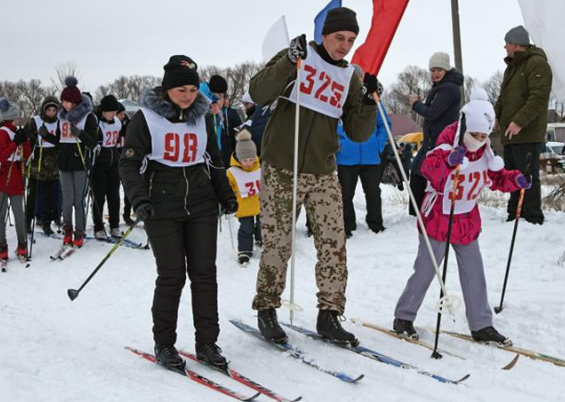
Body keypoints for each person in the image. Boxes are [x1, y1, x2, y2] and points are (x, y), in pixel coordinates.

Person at [249, 6, 379, 345]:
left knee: (334, 245)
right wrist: (288, 62)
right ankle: (267, 308)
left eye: (351, 40)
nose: (344, 46)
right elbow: (258, 92)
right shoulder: (300, 55)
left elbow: (358, 132)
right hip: (282, 165)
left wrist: (367, 102)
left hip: (323, 170)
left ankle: (330, 313)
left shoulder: (350, 75)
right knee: (278, 243)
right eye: (339, 38)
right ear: (324, 34)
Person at [120, 55, 237, 370]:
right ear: (166, 89)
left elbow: (213, 158)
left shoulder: (202, 117)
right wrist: (138, 198)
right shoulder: (146, 119)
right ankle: (164, 343)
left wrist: (225, 193)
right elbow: (129, 163)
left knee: (205, 275)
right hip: (162, 206)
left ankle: (207, 343)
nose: (187, 96)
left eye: (191, 89)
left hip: (201, 203)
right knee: (172, 276)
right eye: (180, 90)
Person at [392, 89, 530, 345]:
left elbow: (496, 178)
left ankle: (482, 324)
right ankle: (404, 316)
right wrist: (448, 161)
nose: (479, 140)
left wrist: (515, 180)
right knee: (425, 270)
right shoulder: (448, 141)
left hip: (465, 219)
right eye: (475, 135)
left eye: (484, 135)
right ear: (465, 128)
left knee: (474, 272)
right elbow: (428, 169)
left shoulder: (486, 151)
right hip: (438, 217)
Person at [493, 26, 552, 225]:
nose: (504, 47)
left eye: (507, 43)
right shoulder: (512, 67)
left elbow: (538, 98)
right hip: (511, 134)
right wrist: (495, 116)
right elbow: (503, 97)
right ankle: (515, 213)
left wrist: (519, 121)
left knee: (527, 175)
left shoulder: (537, 64)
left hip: (527, 133)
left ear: (516, 44)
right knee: (512, 174)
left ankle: (532, 216)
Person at [38, 77, 98, 248]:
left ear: (76, 102)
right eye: (63, 101)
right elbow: (59, 140)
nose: (64, 105)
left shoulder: (88, 118)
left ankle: (79, 232)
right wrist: (46, 135)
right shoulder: (61, 118)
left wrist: (80, 133)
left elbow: (93, 143)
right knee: (66, 200)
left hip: (79, 163)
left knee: (77, 201)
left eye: (68, 102)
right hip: (64, 163)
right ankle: (67, 231)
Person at [336, 64, 391, 237]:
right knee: (345, 194)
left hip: (370, 157)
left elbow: (385, 125)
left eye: (357, 77)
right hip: (346, 157)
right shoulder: (340, 101)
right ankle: (347, 224)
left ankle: (375, 223)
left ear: (361, 79)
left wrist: (378, 144)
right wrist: (339, 143)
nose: (354, 80)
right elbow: (331, 125)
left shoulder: (373, 100)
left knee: (373, 192)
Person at [408, 52, 464, 216]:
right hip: (432, 141)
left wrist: (415, 104)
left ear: (446, 70)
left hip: (440, 142)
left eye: (439, 69)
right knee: (418, 173)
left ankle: (424, 211)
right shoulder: (442, 87)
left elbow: (432, 113)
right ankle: (419, 211)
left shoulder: (449, 88)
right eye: (433, 70)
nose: (435, 73)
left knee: (426, 175)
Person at [0, 98, 31, 260]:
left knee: (18, 213)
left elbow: (26, 155)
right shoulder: (1, 132)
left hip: (15, 175)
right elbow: (1, 155)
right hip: (1, 176)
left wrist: (25, 139)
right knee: (1, 213)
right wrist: (15, 143)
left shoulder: (16, 131)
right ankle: (3, 246)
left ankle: (22, 245)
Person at [24, 96, 62, 236]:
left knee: (51, 197)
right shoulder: (35, 121)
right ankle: (27, 221)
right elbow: (26, 139)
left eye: (54, 110)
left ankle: (47, 223)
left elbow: (61, 141)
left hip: (53, 164)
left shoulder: (59, 122)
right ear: (44, 109)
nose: (51, 113)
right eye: (49, 110)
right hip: (37, 163)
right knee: (33, 196)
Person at [227, 129, 262, 265]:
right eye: (244, 160)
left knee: (262, 224)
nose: (248, 162)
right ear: (238, 158)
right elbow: (228, 187)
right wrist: (228, 199)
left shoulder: (260, 168)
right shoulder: (232, 172)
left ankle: (261, 239)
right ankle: (244, 251)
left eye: (251, 159)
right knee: (246, 228)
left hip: (260, 204)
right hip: (243, 206)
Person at [91, 95, 124, 239]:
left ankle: (114, 225)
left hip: (114, 161)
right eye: (110, 111)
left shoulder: (117, 122)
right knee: (99, 196)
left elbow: (119, 138)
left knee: (114, 196)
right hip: (100, 163)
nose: (112, 114)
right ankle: (98, 227)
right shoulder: (97, 123)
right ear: (103, 111)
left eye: (114, 111)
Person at [116, 101, 134, 225]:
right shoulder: (109, 124)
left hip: (125, 161)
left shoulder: (128, 124)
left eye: (123, 114)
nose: (123, 116)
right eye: (120, 114)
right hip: (112, 161)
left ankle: (127, 214)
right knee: (113, 191)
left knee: (128, 189)